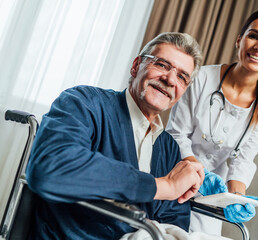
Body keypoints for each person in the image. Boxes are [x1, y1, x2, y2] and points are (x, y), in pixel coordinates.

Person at [26, 32, 204, 239]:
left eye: (182, 77)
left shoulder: (170, 148)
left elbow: (175, 224)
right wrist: (163, 186)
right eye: (162, 65)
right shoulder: (84, 103)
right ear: (136, 66)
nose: (170, 79)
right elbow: (51, 168)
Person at [166, 10, 258, 235]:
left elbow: (243, 160)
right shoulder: (201, 78)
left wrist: (236, 198)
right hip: (174, 172)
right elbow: (175, 133)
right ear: (239, 40)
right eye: (254, 36)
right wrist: (199, 172)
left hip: (213, 195)